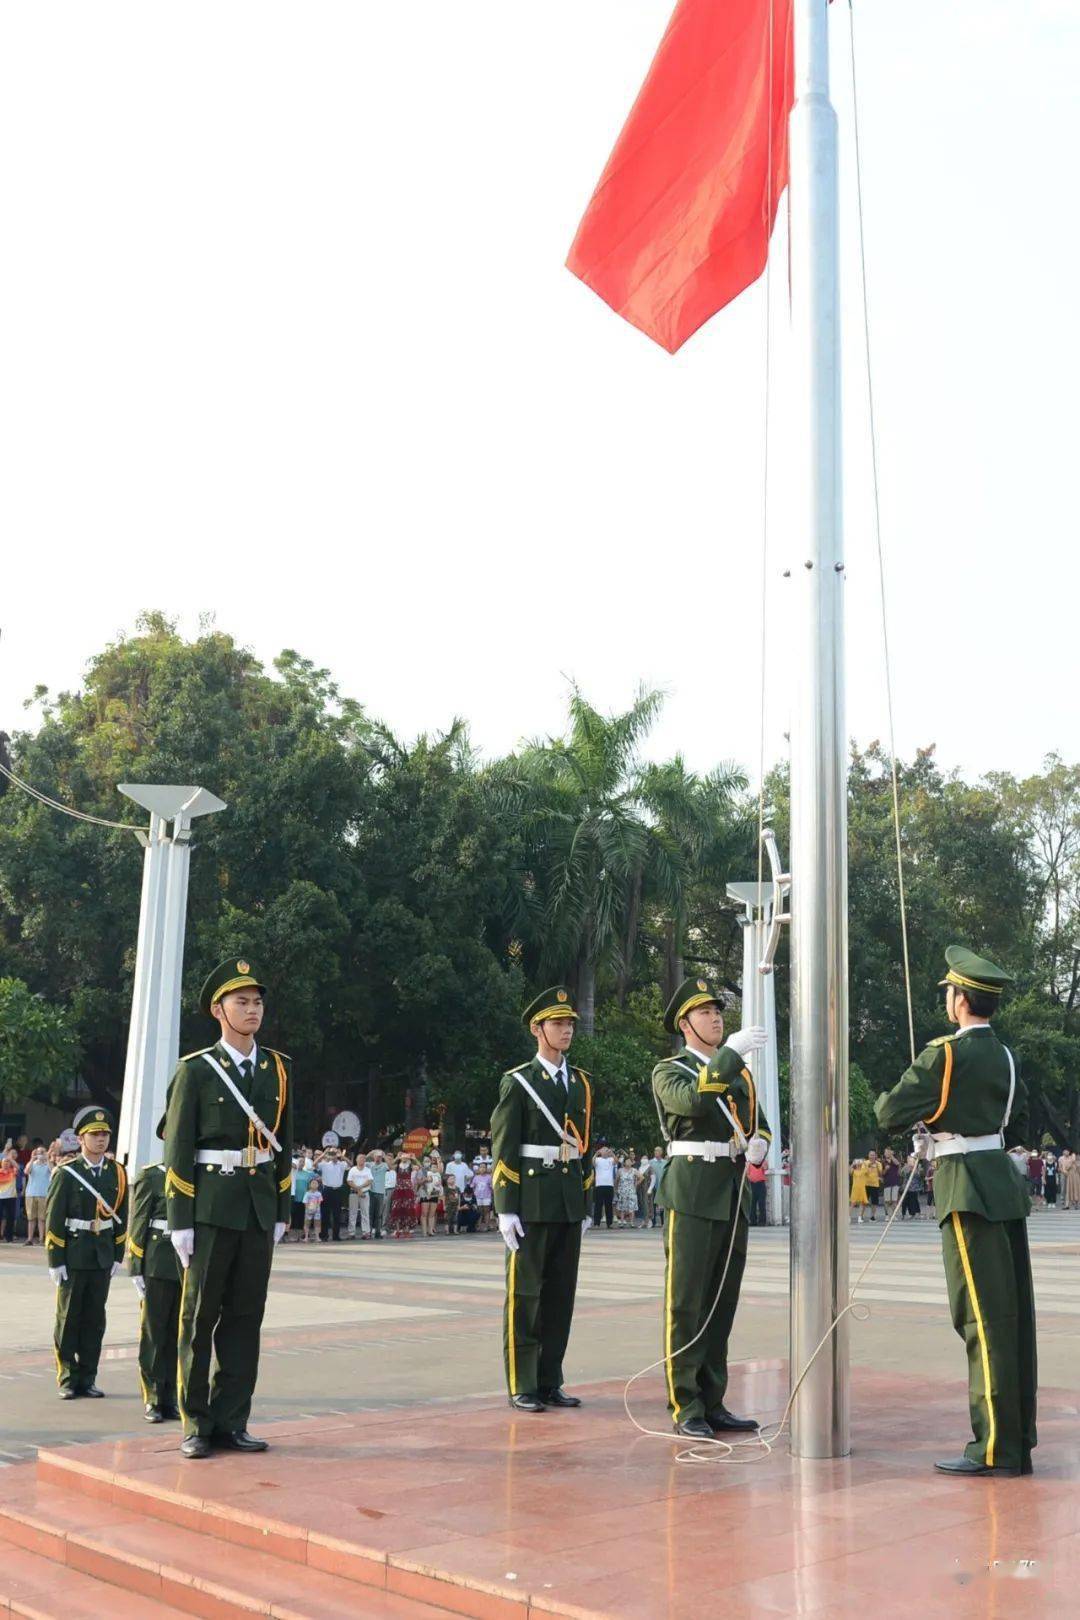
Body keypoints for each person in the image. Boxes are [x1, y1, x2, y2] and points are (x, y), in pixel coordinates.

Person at [875, 945, 1036, 1477]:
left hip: (965, 1183)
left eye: (948, 992)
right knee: (1011, 1318)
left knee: (981, 1319)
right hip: (998, 1179)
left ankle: (991, 1448)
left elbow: (888, 1111)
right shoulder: (1006, 1056)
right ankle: (1015, 1440)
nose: (947, 999)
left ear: (960, 998)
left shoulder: (945, 1053)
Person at [163, 958, 293, 1460]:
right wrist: (179, 1220)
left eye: (257, 1001)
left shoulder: (277, 1069)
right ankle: (195, 1423)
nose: (253, 1009)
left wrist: (281, 1207)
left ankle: (232, 1419)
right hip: (211, 1209)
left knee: (245, 1318)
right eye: (242, 1001)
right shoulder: (195, 1071)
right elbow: (177, 1147)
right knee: (198, 1320)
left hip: (257, 1209)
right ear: (218, 1010)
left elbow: (284, 1141)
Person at [651, 976, 769, 1440]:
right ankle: (685, 1403)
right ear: (684, 1024)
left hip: (732, 1191)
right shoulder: (670, 1069)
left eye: (718, 1010)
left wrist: (762, 1143)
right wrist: (732, 1053)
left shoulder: (738, 1073)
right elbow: (695, 1102)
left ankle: (714, 1399)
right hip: (693, 1192)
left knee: (721, 1303)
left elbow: (757, 1123)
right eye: (704, 1012)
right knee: (686, 1303)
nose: (716, 1017)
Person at [492, 985, 594, 1413]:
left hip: (568, 1200)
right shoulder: (519, 1082)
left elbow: (584, 1146)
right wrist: (505, 1207)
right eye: (557, 1023)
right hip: (531, 1200)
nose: (566, 1029)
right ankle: (523, 1383)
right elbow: (504, 1145)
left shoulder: (583, 1083)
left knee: (560, 1296)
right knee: (526, 1295)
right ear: (538, 1029)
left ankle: (551, 1379)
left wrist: (585, 1202)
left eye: (570, 1022)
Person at [45, 1105, 129, 1399]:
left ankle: (88, 1376)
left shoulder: (117, 1173)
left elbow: (121, 1215)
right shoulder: (68, 1173)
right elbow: (54, 1218)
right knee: (68, 1318)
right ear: (81, 1139)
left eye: (105, 1134)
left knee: (94, 1319)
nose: (101, 1139)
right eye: (94, 1134)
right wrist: (55, 1260)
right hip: (74, 1254)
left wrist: (118, 1254)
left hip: (101, 1254)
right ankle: (68, 1377)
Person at [127, 1116, 182, 1423]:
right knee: (154, 1332)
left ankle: (171, 1396)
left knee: (177, 1333)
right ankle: (153, 1397)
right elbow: (139, 1222)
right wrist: (136, 1265)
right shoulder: (152, 1176)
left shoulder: (196, 1175)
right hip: (158, 1262)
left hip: (185, 1263)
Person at [317, 1147, 347, 1241]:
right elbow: (314, 1164)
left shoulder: (341, 1164)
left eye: (335, 1153)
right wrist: (324, 1154)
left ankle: (336, 1236)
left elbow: (350, 1164)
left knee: (337, 1214)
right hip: (327, 1190)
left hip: (337, 1190)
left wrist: (341, 1155)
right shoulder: (325, 1164)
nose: (333, 1155)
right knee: (325, 1213)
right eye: (332, 1153)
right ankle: (324, 1235)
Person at [23, 1144, 51, 1244]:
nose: (40, 1154)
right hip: (31, 1193)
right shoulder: (32, 1164)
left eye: (42, 1152)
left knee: (42, 1218)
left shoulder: (48, 1164)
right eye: (39, 1152)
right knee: (31, 1218)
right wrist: (32, 1158)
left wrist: (47, 1158)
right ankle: (29, 1239)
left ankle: (41, 1239)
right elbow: (26, 1171)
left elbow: (53, 1171)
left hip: (44, 1194)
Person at [389, 1153, 419, 1236]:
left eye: (406, 1156)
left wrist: (414, 1159)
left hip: (408, 1190)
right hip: (399, 1189)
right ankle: (398, 1230)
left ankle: (407, 1230)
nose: (404, 1158)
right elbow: (389, 1166)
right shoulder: (397, 1166)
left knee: (408, 1210)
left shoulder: (410, 1166)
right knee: (397, 1209)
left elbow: (420, 1167)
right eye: (403, 1156)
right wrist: (396, 1158)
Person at [347, 1152, 373, 1238]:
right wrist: (358, 1189)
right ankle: (351, 1233)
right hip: (353, 1193)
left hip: (364, 1193)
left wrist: (360, 1188)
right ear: (356, 1160)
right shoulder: (352, 1169)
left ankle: (366, 1232)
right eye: (360, 1158)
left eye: (363, 1158)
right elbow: (349, 1181)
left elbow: (369, 1181)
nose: (362, 1160)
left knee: (365, 1213)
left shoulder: (367, 1170)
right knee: (352, 1213)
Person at [591, 1145, 615, 1229]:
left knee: (609, 1205)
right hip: (599, 1185)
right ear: (601, 1152)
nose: (605, 1152)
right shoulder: (598, 1159)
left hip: (609, 1185)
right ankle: (596, 1223)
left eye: (606, 1150)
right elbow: (592, 1163)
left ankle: (610, 1223)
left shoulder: (610, 1159)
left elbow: (616, 1161)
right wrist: (596, 1153)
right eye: (603, 1150)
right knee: (598, 1205)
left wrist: (612, 1153)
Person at [418, 1157, 442, 1237]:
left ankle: (430, 1230)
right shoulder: (422, 1171)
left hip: (434, 1193)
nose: (427, 1162)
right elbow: (418, 1182)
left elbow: (440, 1182)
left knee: (432, 1213)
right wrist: (425, 1180)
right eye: (425, 1161)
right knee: (424, 1213)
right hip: (425, 1193)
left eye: (428, 1161)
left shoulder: (436, 1172)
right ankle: (424, 1232)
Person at [0, 1146, 19, 1242]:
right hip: (0, 1197)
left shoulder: (12, 1171)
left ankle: (9, 1237)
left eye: (7, 1162)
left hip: (11, 1197)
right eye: (4, 1162)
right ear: (1, 1163)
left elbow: (17, 1167)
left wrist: (10, 1158)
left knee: (10, 1217)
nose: (6, 1164)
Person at [368, 1150, 388, 1238]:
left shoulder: (384, 1165)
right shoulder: (370, 1164)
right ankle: (368, 1232)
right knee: (370, 1213)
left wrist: (385, 1156)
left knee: (379, 1214)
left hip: (380, 1192)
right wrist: (371, 1152)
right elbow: (363, 1159)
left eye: (379, 1157)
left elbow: (391, 1167)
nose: (378, 1158)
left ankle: (378, 1232)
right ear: (373, 1157)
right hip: (371, 1191)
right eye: (376, 1156)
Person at [614, 1154, 638, 1227]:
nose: (628, 1163)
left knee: (632, 1207)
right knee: (622, 1207)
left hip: (631, 1190)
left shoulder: (634, 1170)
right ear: (624, 1163)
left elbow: (641, 1177)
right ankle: (621, 1222)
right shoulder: (620, 1170)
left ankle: (631, 1222)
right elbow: (616, 1180)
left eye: (630, 1161)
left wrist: (636, 1184)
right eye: (627, 1161)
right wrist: (616, 1189)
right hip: (622, 1190)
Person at [472, 1157, 493, 1230]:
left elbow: (491, 1187)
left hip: (487, 1197)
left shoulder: (489, 1177)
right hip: (478, 1197)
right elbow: (473, 1186)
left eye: (484, 1167)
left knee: (486, 1211)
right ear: (479, 1168)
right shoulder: (476, 1177)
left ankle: (487, 1226)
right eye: (481, 1167)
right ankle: (478, 1226)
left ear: (486, 1169)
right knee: (479, 1212)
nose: (482, 1169)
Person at [747, 1156, 767, 1226]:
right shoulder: (749, 1163)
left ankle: (762, 1222)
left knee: (762, 1204)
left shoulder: (762, 1161)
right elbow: (747, 1173)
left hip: (761, 1184)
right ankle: (753, 1221)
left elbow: (765, 1168)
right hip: (752, 1184)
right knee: (752, 1204)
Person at [864, 1150, 882, 1221]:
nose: (872, 1156)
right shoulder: (865, 1163)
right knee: (864, 1201)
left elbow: (880, 1173)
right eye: (870, 1155)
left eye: (873, 1155)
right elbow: (863, 1172)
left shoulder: (878, 1163)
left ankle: (872, 1217)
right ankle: (860, 1216)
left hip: (875, 1184)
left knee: (874, 1202)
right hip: (866, 1184)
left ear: (875, 1156)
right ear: (868, 1155)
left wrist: (876, 1166)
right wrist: (869, 1166)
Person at [849, 1159, 869, 1223]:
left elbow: (867, 1170)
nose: (859, 1164)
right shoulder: (854, 1171)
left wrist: (864, 1162)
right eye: (858, 1163)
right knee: (853, 1203)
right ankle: (848, 1217)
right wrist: (853, 1164)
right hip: (855, 1189)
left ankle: (859, 1217)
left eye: (859, 1163)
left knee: (862, 1203)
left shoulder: (863, 1170)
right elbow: (850, 1172)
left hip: (862, 1189)